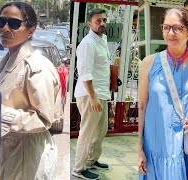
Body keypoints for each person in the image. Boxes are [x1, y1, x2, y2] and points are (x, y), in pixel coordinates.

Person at [138, 8, 188, 180]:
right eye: (166, 27)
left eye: (177, 28)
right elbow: (142, 106)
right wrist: (140, 148)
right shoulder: (149, 63)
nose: (171, 33)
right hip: (157, 146)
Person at [0, 2, 61, 180]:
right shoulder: (6, 60)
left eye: (14, 24)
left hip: (27, 154)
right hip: (10, 148)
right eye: (0, 22)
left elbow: (44, 118)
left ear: (31, 30)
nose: (5, 28)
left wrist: (1, 115)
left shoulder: (37, 67)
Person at [72, 8, 110, 180]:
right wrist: (93, 97)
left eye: (103, 20)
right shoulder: (87, 44)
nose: (101, 23)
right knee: (87, 132)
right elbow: (85, 73)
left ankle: (91, 161)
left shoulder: (103, 40)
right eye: (97, 21)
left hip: (102, 93)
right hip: (90, 95)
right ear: (90, 24)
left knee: (101, 131)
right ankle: (78, 169)